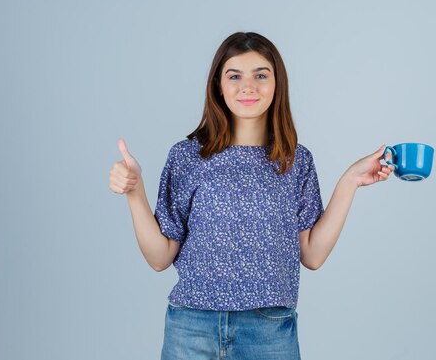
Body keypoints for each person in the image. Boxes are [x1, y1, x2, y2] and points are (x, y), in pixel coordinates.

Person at [108, 31, 395, 360]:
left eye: (261, 75)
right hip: (190, 327)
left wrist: (350, 181)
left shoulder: (295, 161)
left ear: (277, 84)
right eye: (235, 76)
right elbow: (160, 257)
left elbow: (312, 255)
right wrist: (134, 192)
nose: (248, 86)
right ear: (218, 84)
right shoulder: (187, 157)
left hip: (268, 331)